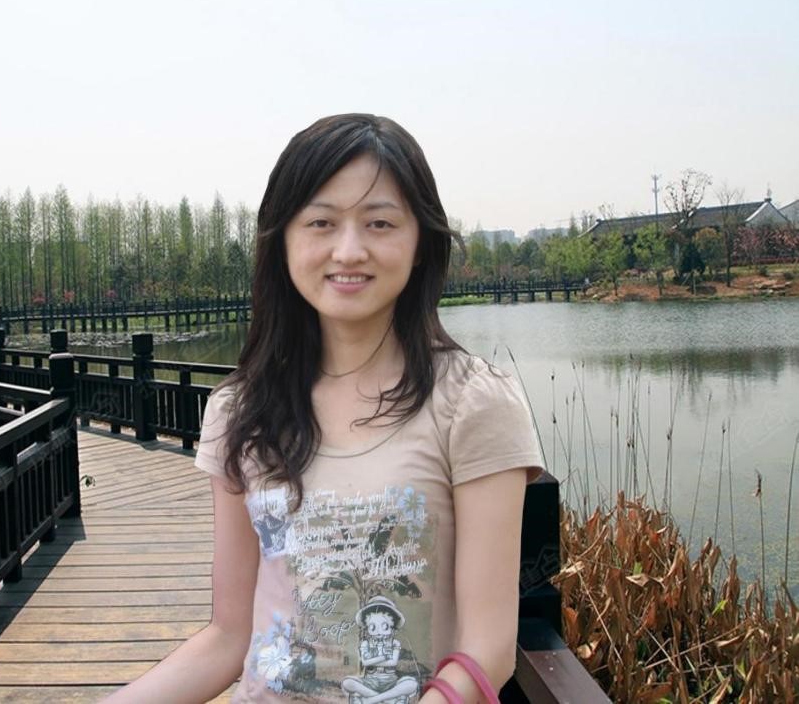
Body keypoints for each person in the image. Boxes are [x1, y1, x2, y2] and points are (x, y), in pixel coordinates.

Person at [105, 114, 545, 703]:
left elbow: (488, 648)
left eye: (380, 222)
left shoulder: (473, 402)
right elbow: (228, 637)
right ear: (283, 241)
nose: (349, 250)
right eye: (321, 222)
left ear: (420, 243)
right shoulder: (240, 410)